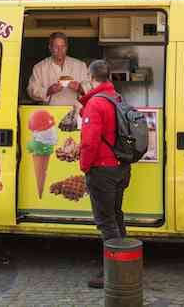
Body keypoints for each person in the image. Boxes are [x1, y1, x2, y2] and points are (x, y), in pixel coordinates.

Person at [79, 59, 131, 289]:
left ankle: (114, 272)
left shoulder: (95, 103)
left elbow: (89, 143)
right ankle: (128, 264)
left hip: (102, 169)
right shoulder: (117, 97)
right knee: (116, 215)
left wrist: (84, 166)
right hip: (120, 167)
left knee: (105, 220)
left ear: (91, 78)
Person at [27, 32, 92, 106]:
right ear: (50, 48)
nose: (60, 50)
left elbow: (91, 88)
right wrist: (48, 91)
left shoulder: (80, 65)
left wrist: (80, 88)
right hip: (50, 112)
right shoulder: (39, 68)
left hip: (75, 113)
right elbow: (31, 91)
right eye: (56, 47)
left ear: (67, 47)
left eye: (63, 46)